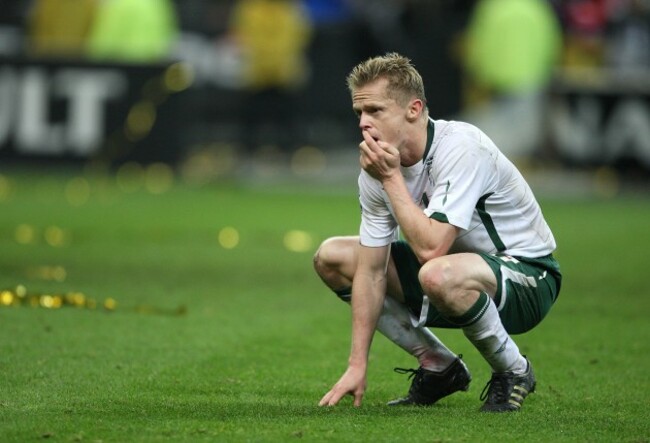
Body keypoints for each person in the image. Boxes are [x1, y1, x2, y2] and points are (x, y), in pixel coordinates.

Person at [314, 53, 561, 412]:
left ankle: (514, 370)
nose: (364, 124)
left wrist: (391, 179)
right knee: (333, 257)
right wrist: (357, 364)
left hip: (529, 277)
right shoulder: (376, 170)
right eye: (359, 114)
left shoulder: (461, 147)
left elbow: (431, 249)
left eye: (376, 111)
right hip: (450, 275)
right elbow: (371, 271)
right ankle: (439, 366)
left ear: (413, 109)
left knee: (435, 272)